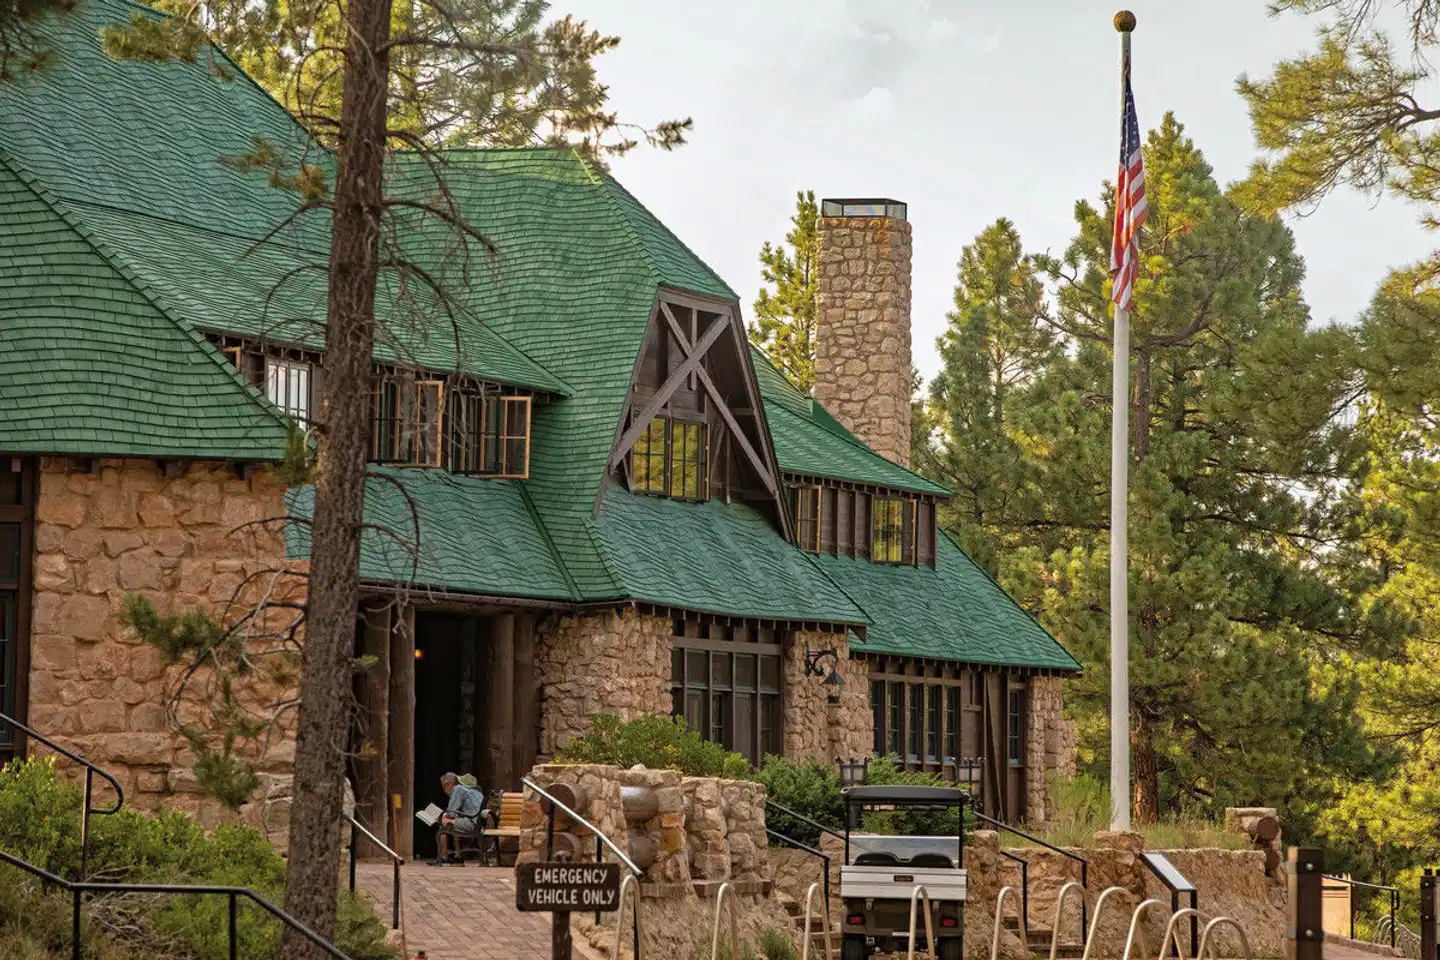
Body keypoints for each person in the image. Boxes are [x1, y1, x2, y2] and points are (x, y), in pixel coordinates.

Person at [430, 771, 485, 866]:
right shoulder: (475, 791)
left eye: (444, 786)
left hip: (471, 824)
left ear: (450, 784)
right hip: (479, 823)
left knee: (442, 823)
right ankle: (458, 857)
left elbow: (451, 813)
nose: (444, 790)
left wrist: (440, 817)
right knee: (452, 822)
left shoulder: (458, 789)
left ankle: (444, 858)